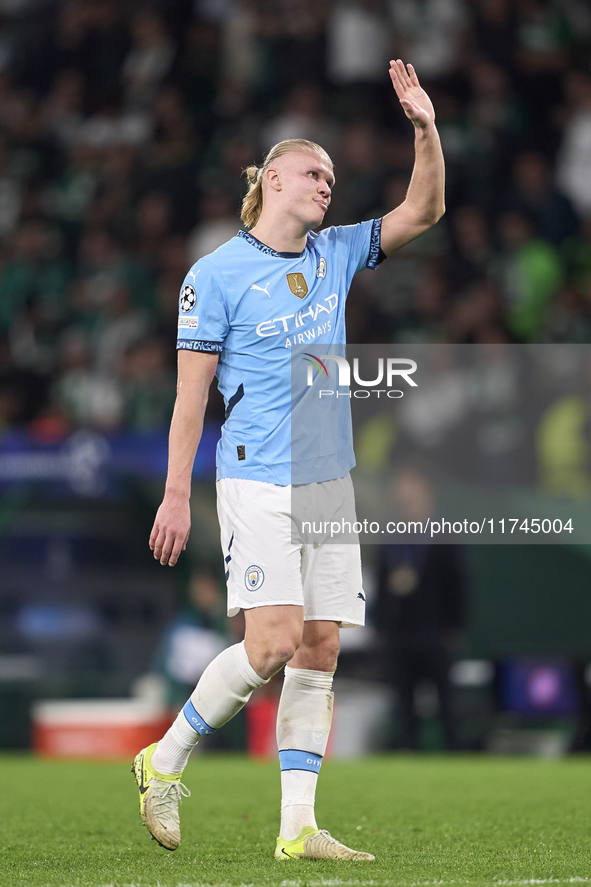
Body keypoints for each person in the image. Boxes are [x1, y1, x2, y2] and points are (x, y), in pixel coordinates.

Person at [132, 60, 445, 861]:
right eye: (313, 173)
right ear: (272, 178)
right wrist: (175, 495)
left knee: (320, 647)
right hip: (257, 477)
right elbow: (189, 399)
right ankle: (162, 759)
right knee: (268, 642)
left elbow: (424, 209)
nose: (326, 186)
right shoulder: (214, 276)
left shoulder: (338, 252)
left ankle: (296, 827)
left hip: (328, 480)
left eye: (333, 179)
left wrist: (424, 128)